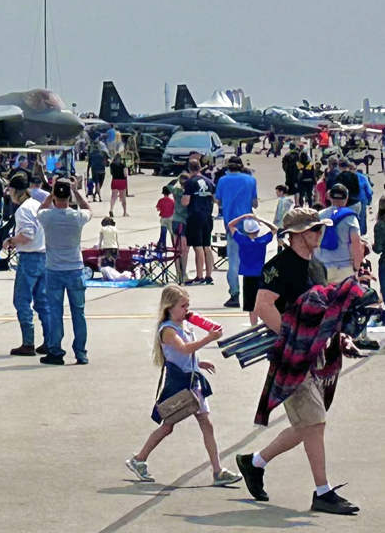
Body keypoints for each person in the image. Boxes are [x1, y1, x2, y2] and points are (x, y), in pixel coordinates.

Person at [236, 207, 364, 515]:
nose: (320, 234)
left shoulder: (316, 266)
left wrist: (339, 337)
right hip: (291, 358)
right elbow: (263, 306)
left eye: (320, 229)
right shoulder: (278, 267)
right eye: (315, 230)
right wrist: (293, 338)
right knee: (314, 421)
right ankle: (323, 492)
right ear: (295, 235)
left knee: (305, 425)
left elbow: (323, 311)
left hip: (316, 356)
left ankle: (253, 463)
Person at [126, 285, 243, 486]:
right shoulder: (168, 330)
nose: (187, 310)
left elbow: (187, 354)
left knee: (206, 423)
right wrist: (209, 338)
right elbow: (183, 349)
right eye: (183, 306)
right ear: (169, 307)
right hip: (179, 382)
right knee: (168, 425)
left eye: (188, 305)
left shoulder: (184, 325)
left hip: (192, 379)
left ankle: (218, 471)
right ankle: (139, 458)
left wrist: (199, 363)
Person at [38, 177, 92, 365]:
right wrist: (76, 190)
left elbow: (41, 209)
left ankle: (55, 350)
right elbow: (88, 209)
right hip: (75, 268)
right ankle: (80, 352)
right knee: (79, 312)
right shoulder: (76, 217)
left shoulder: (47, 217)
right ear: (69, 197)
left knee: (55, 311)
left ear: (55, 198)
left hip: (53, 269)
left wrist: (52, 192)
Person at [2, 173, 50, 357]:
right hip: (44, 256)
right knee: (42, 302)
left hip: (30, 257)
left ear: (14, 190)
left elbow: (27, 235)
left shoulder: (22, 210)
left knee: (22, 300)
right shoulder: (38, 205)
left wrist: (11, 241)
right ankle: (49, 341)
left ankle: (28, 342)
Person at [214, 156, 258, 308]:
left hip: (231, 224)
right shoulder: (250, 180)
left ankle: (234, 294)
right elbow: (255, 203)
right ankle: (251, 292)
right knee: (250, 258)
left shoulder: (223, 180)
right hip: (248, 224)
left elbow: (218, 200)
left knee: (233, 260)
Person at [226, 215, 277, 326]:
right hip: (260, 275)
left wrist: (243, 217)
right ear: (257, 230)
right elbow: (274, 229)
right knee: (261, 302)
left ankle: (254, 326)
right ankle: (265, 323)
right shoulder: (262, 241)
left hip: (247, 275)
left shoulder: (242, 240)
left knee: (250, 304)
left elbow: (230, 225)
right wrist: (261, 218)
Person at [316, 184, 362, 283]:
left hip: (323, 266)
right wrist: (357, 267)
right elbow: (356, 244)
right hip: (344, 266)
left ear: (329, 197)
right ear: (347, 198)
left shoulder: (319, 216)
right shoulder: (351, 218)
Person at [181, 159, 215, 286]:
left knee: (198, 247)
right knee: (207, 246)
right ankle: (209, 275)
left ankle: (199, 275)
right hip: (207, 216)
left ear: (190, 169)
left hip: (195, 216)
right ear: (200, 168)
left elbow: (186, 201)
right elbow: (216, 199)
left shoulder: (191, 182)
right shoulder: (209, 181)